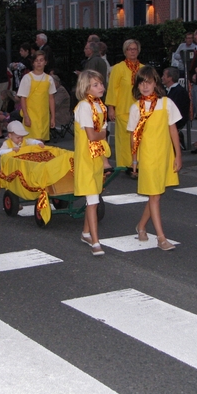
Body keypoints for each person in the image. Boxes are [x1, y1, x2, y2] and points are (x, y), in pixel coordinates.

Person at [127, 66, 182, 250]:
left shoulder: (166, 103)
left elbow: (173, 130)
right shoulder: (136, 108)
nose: (145, 86)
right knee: (155, 196)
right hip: (148, 156)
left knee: (155, 194)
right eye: (141, 82)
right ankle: (161, 237)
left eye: (148, 82)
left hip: (164, 155)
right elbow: (133, 136)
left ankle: (141, 226)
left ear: (156, 83)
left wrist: (177, 155)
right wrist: (134, 160)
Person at [74, 70, 111, 256]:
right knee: (93, 200)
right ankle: (95, 242)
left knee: (94, 196)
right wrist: (103, 134)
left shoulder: (100, 107)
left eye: (101, 84)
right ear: (85, 87)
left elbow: (100, 137)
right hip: (86, 159)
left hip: (95, 159)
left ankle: (86, 233)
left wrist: (105, 160)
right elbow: (92, 135)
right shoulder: (84, 107)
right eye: (95, 85)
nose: (101, 87)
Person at [106, 39, 144, 171]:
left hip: (140, 109)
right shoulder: (118, 68)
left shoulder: (143, 69)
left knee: (139, 136)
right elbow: (112, 89)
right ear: (125, 51)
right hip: (123, 109)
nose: (132, 51)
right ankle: (127, 165)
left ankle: (138, 162)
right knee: (125, 138)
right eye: (130, 49)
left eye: (135, 49)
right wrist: (111, 107)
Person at [19, 51, 56, 141]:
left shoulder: (49, 79)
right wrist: (26, 116)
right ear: (33, 63)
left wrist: (53, 117)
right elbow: (23, 98)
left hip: (44, 116)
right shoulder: (27, 78)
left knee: (41, 142)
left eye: (41, 60)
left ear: (45, 62)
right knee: (32, 142)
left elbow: (51, 99)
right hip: (31, 115)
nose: (39, 63)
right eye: (36, 60)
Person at [162, 67, 190, 150]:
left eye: (164, 75)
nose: (162, 77)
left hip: (177, 120)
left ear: (170, 78)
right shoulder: (173, 91)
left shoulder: (178, 92)